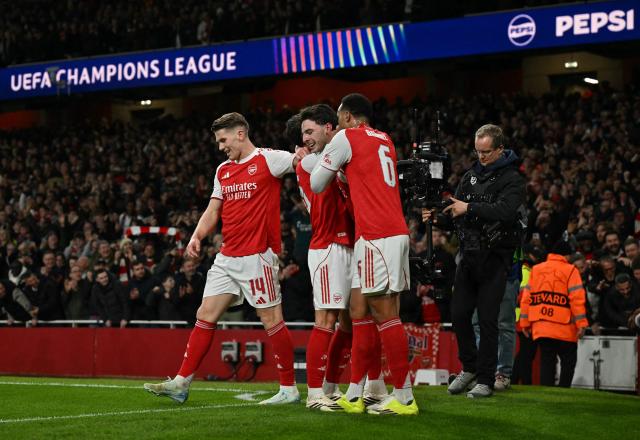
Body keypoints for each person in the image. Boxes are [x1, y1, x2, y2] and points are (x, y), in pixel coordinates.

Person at [144, 112, 307, 405]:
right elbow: (213, 210)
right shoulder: (223, 170)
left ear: (240, 134)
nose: (220, 146)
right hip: (227, 256)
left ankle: (288, 389)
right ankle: (182, 382)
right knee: (205, 315)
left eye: (223, 139)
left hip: (257, 256)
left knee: (271, 319)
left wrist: (305, 154)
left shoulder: (268, 159)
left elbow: (302, 163)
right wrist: (196, 236)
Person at [310, 93, 418, 415]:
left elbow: (317, 184)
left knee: (386, 314)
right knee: (359, 310)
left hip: (376, 235)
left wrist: (327, 163)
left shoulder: (346, 137)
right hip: (386, 232)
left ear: (345, 117)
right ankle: (356, 393)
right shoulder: (384, 138)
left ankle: (405, 398)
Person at [423, 124, 526, 398]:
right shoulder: (470, 177)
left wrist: (467, 207)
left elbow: (505, 211)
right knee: (458, 316)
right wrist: (438, 217)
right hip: (468, 258)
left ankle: (485, 379)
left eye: (487, 152)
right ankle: (469, 367)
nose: (481, 157)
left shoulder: (513, 179)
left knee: (489, 320)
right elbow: (454, 212)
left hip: (495, 259)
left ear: (500, 149)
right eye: (478, 151)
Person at [519, 240, 589, 387]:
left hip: (542, 326)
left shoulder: (536, 269)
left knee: (547, 362)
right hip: (565, 328)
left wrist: (525, 323)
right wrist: (581, 324)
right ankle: (564, 390)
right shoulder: (570, 270)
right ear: (567, 256)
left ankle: (547, 393)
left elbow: (526, 299)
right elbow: (577, 299)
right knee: (568, 362)